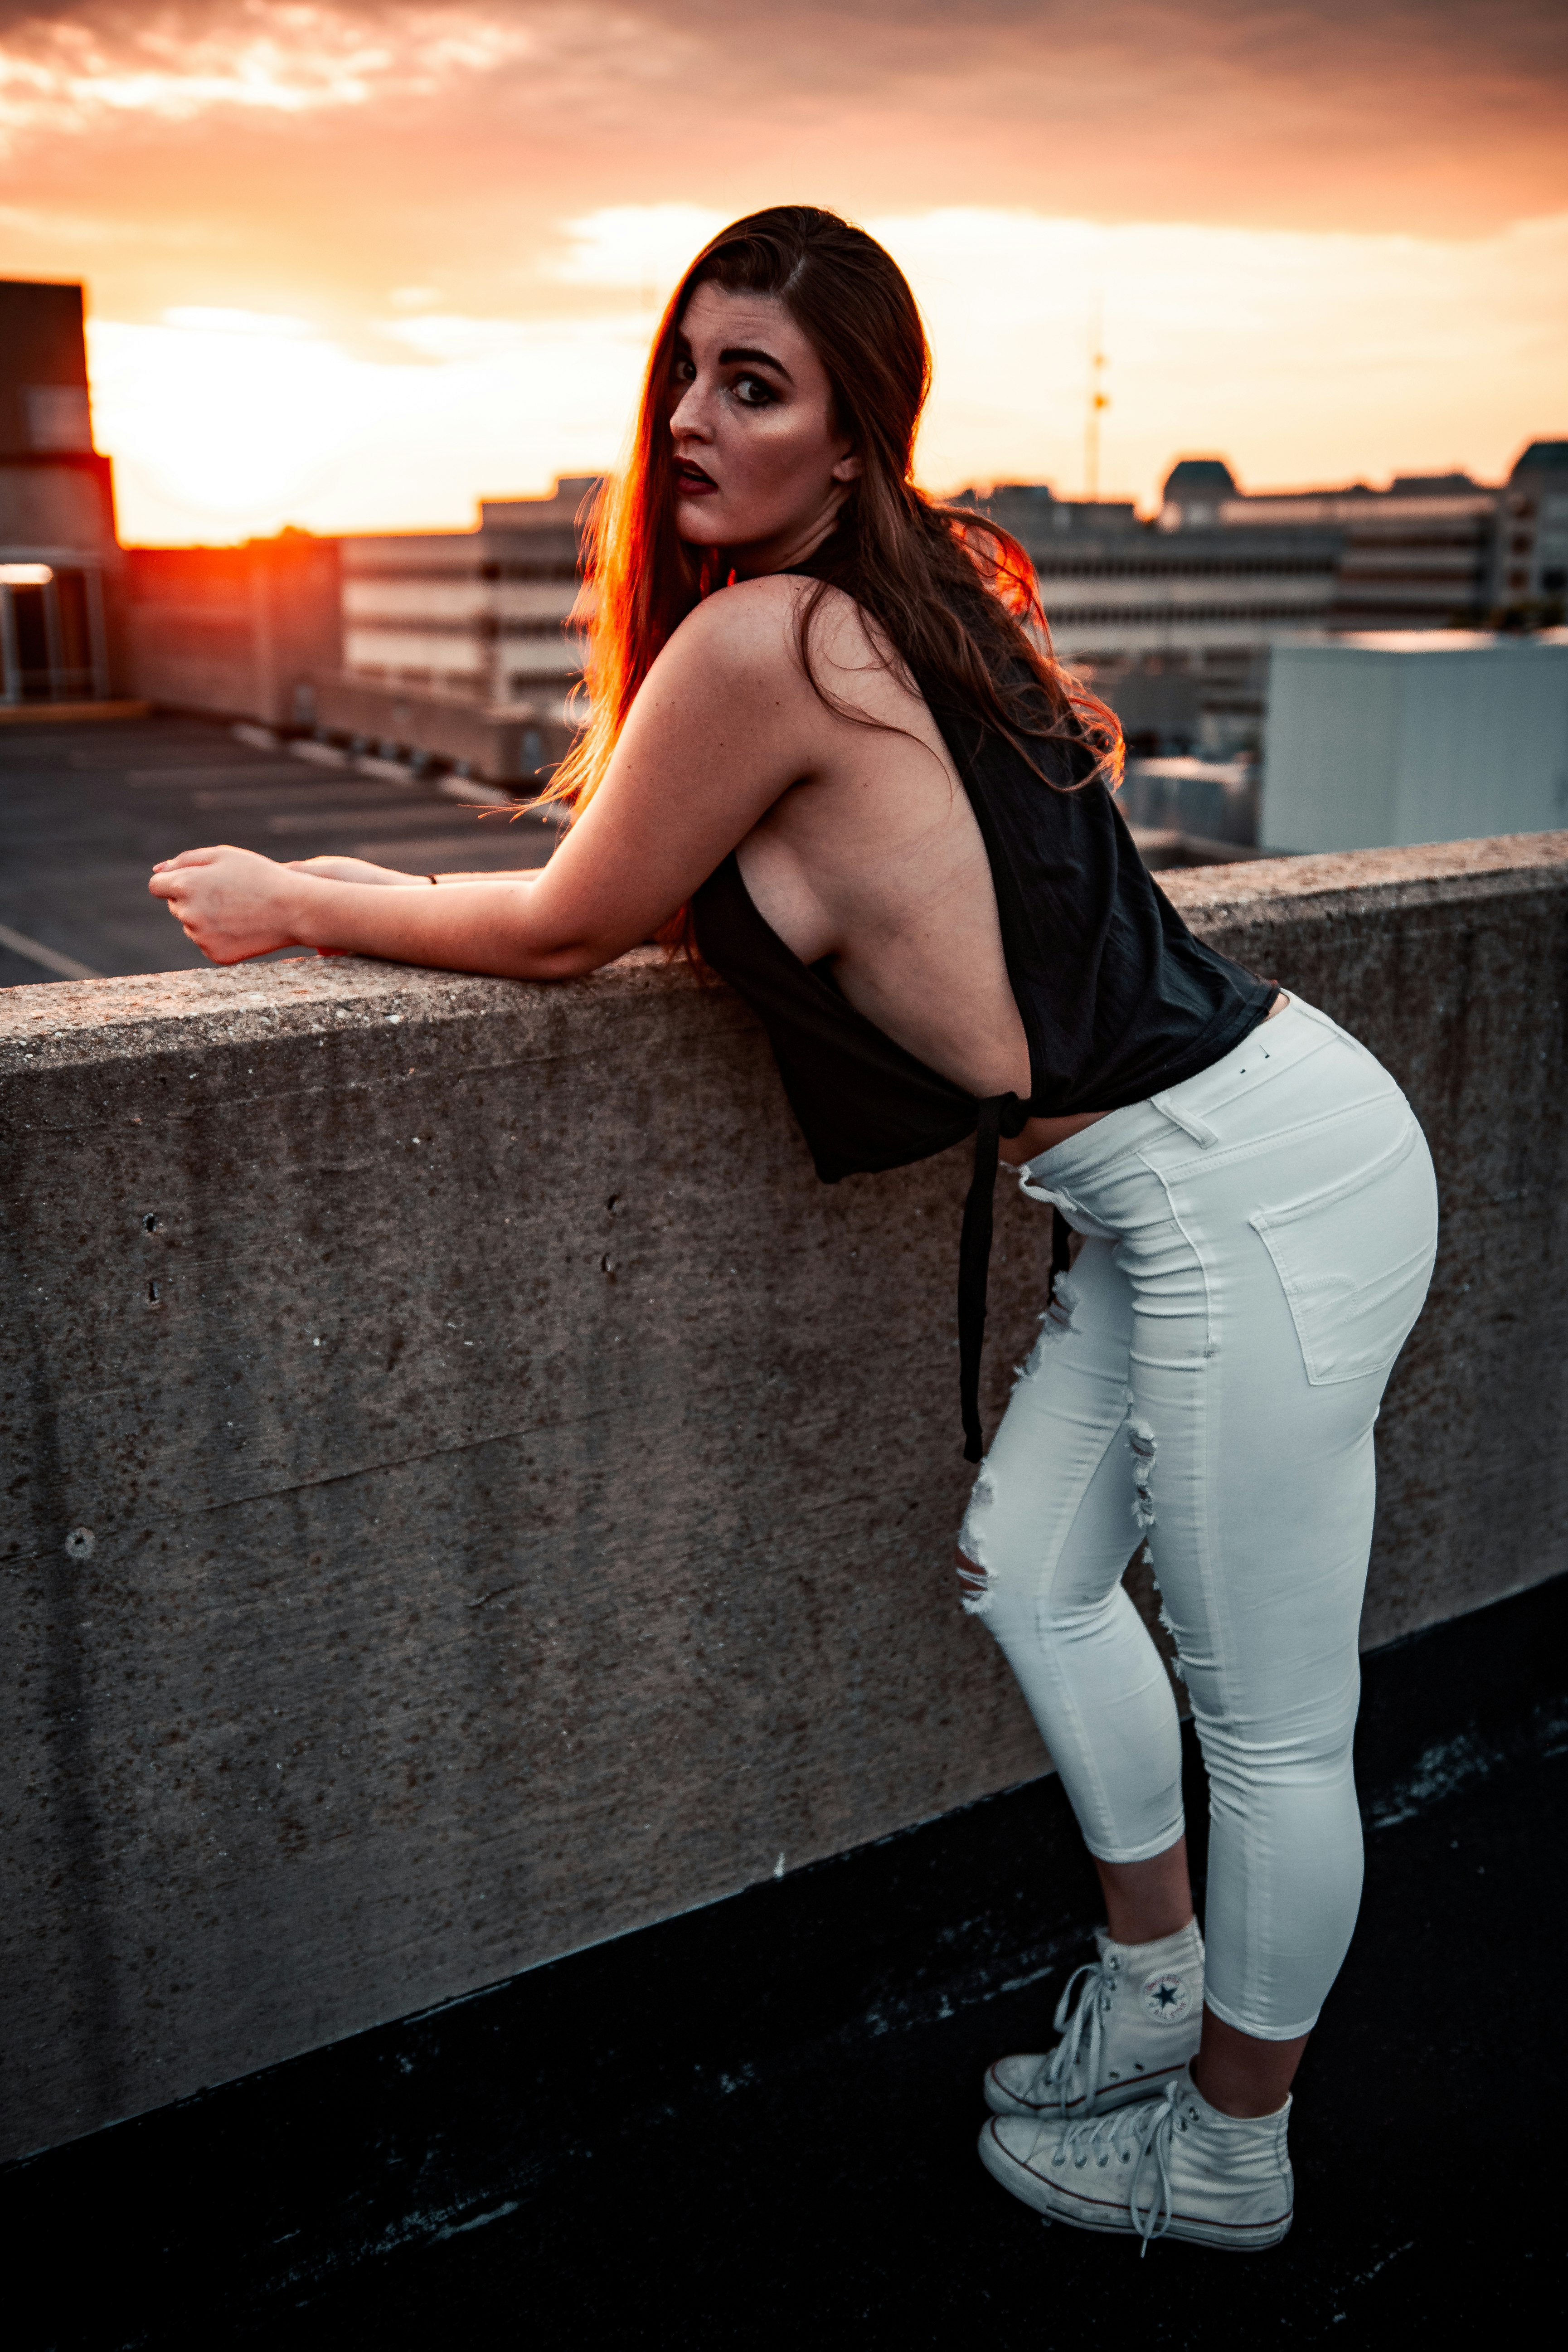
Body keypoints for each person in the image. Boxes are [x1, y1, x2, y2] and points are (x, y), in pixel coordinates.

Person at [150, 206, 1438, 2253]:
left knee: (1276, 1722)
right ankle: (1156, 1983)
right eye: (684, 370)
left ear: (850, 443)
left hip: (1250, 1182)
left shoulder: (769, 637)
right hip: (1188, 1176)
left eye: (750, 385)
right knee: (1031, 1574)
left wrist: (302, 892)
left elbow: (567, 919)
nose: (688, 417)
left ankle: (1225, 2152)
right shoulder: (878, 604)